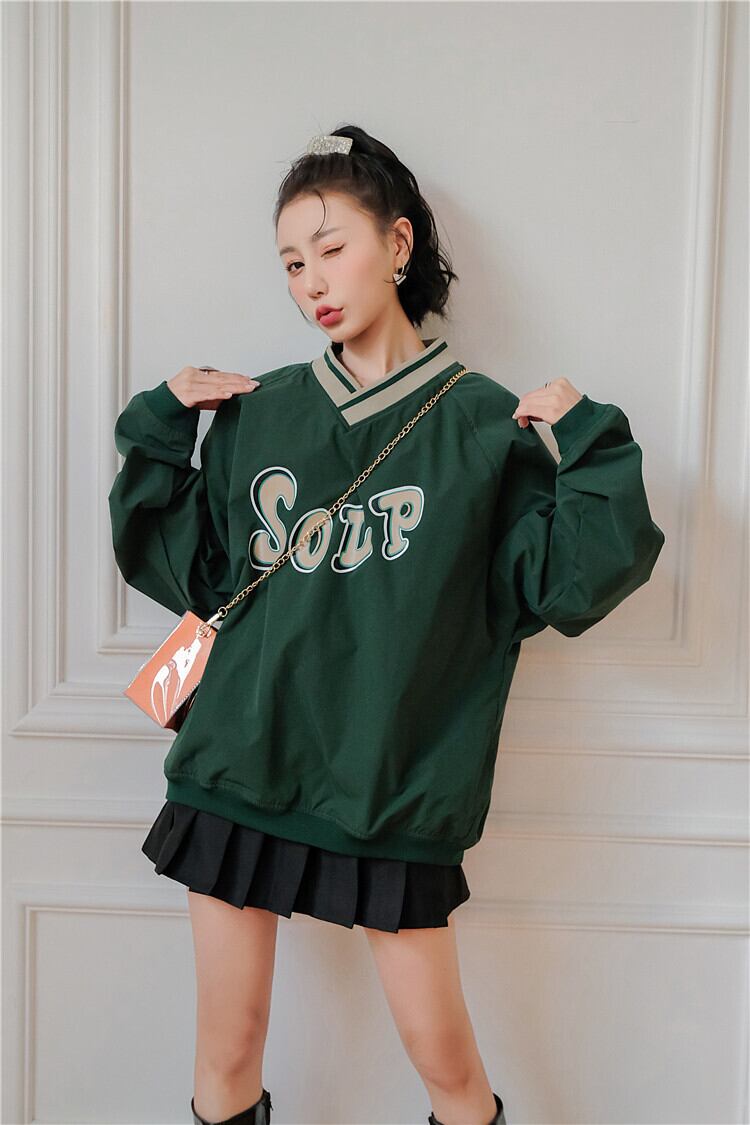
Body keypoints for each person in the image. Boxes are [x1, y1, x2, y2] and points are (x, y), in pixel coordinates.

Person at [108, 124, 665, 1125]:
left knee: (447, 1068)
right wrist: (161, 425)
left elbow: (573, 584)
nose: (311, 281)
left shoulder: (485, 427)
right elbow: (185, 570)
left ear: (398, 244)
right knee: (225, 1052)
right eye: (291, 263)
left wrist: (588, 442)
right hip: (238, 770)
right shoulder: (259, 413)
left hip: (393, 791)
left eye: (331, 248)